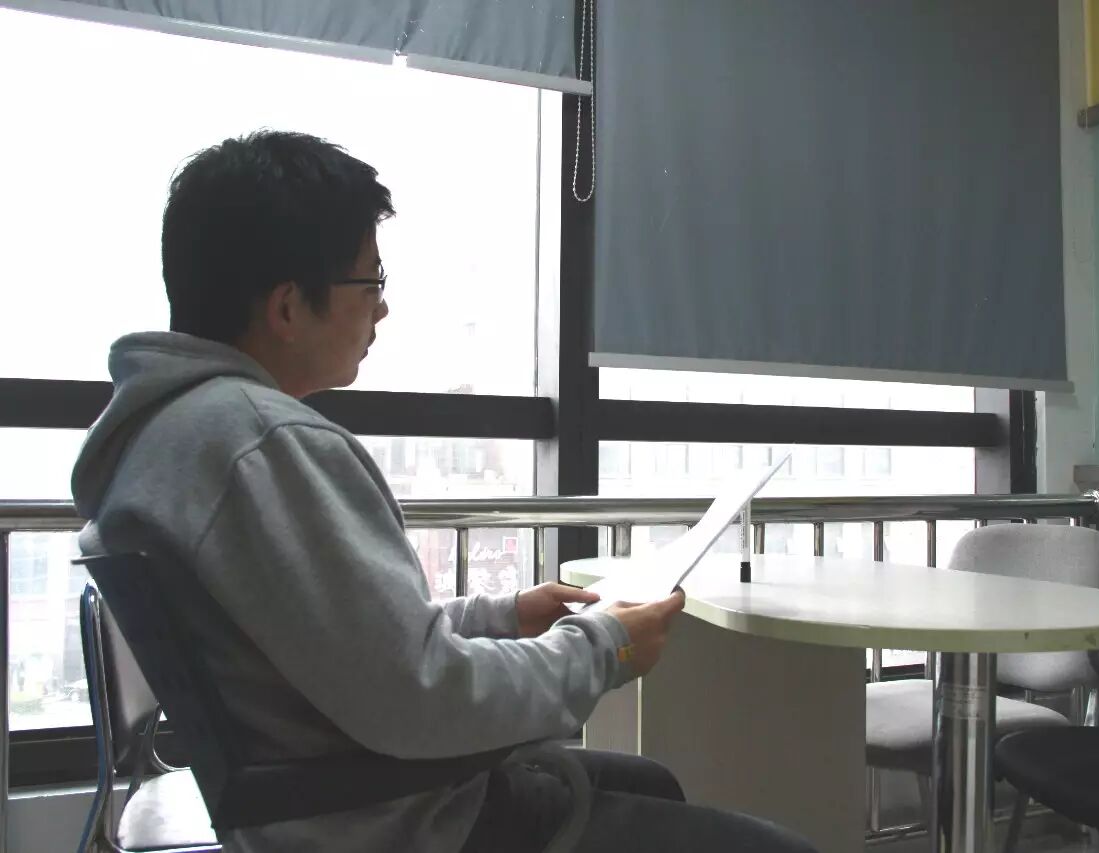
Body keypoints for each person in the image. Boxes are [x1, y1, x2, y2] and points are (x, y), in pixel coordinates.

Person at [70, 130, 816, 853]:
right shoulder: (262, 445)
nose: (382, 308)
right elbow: (421, 697)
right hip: (400, 822)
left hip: (335, 805)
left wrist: (504, 615)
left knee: (650, 783)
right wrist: (604, 647)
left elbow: (345, 646)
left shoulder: (173, 439)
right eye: (371, 282)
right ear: (289, 306)